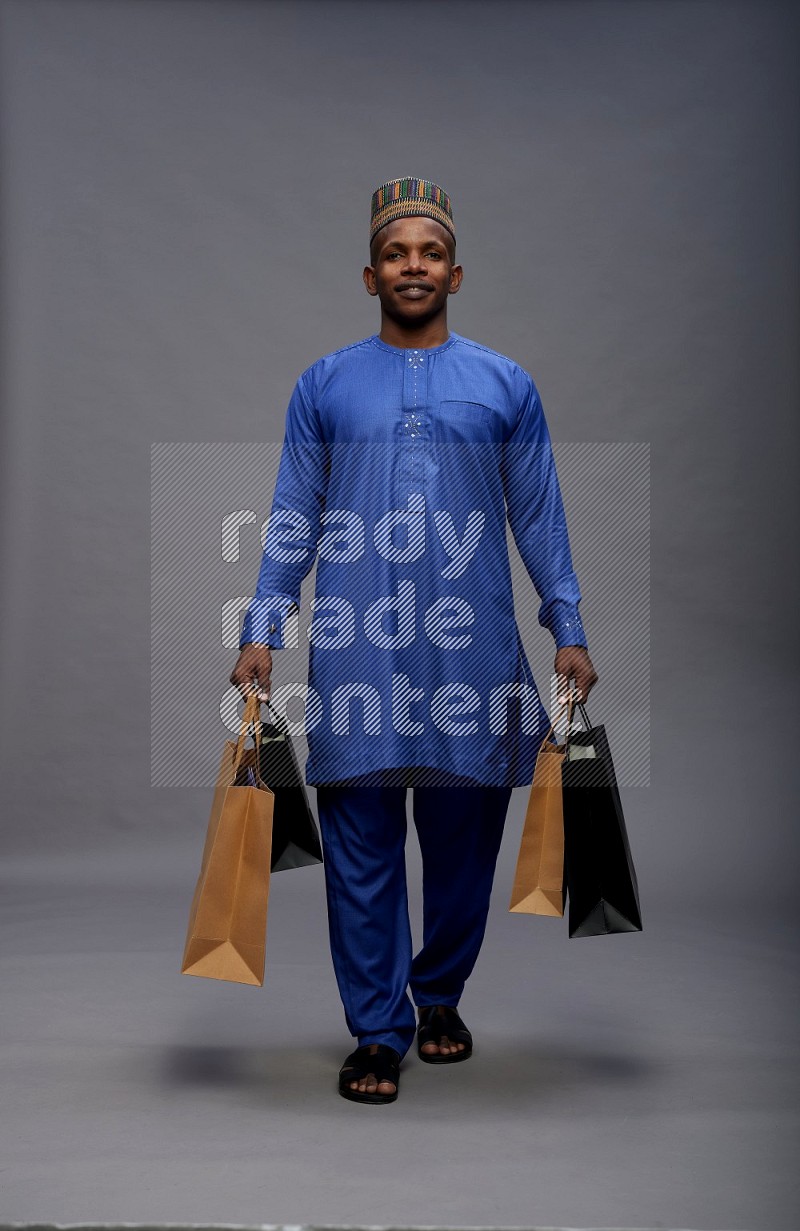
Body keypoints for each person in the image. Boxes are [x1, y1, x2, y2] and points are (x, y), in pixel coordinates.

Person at [230, 177, 598, 1104]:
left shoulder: (505, 383)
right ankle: (375, 1030)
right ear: (369, 274)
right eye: (397, 253)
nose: (413, 266)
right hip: (358, 647)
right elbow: (290, 515)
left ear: (456, 272)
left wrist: (570, 626)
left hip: (471, 651)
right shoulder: (325, 383)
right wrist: (262, 626)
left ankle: (438, 997)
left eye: (429, 253)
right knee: (359, 845)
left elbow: (541, 517)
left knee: (465, 845)